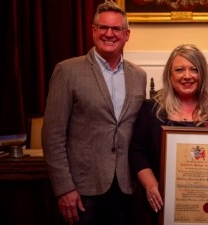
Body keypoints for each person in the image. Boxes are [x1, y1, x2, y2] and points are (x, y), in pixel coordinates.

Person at [41, 2, 147, 225]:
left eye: (116, 29)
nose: (109, 34)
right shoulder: (67, 71)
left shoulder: (139, 76)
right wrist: (64, 189)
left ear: (127, 34)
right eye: (103, 27)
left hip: (125, 189)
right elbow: (53, 136)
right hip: (81, 192)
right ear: (93, 30)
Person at [129, 44, 208, 225]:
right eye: (180, 69)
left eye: (194, 69)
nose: (187, 76)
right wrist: (150, 185)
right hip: (162, 204)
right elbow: (137, 152)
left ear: (202, 74)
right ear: (170, 74)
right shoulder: (152, 108)